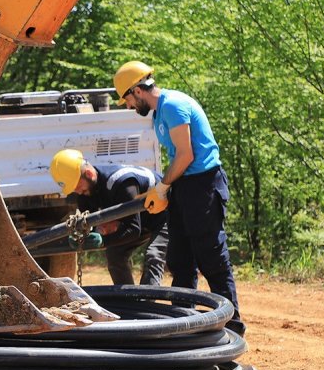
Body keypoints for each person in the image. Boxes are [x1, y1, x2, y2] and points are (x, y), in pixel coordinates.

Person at [113, 60, 245, 336]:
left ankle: (232, 325)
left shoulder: (173, 106)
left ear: (137, 91)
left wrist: (163, 186)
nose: (127, 106)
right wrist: (168, 187)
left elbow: (186, 155)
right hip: (185, 187)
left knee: (211, 257)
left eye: (126, 99)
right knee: (180, 260)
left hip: (203, 186)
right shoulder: (160, 113)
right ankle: (185, 324)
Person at [50, 149, 169, 286]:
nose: (77, 192)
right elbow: (91, 226)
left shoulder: (122, 183)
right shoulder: (84, 191)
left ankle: (148, 305)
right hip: (140, 217)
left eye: (77, 186)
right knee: (114, 255)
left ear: (89, 174)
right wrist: (82, 237)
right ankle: (128, 302)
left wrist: (102, 241)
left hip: (164, 215)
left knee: (154, 256)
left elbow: (134, 229)